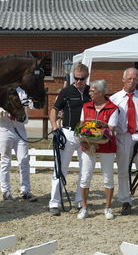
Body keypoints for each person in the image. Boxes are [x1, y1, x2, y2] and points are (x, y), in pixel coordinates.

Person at [110, 68, 138, 216]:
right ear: (123, 79)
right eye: (129, 78)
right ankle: (125, 201)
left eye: (135, 79)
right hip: (123, 137)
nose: (132, 81)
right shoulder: (114, 99)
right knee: (123, 170)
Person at [48, 63, 91, 216]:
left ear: (87, 77)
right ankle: (54, 202)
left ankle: (80, 201)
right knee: (60, 168)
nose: (79, 81)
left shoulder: (91, 91)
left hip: (86, 135)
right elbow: (54, 110)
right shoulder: (66, 91)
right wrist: (54, 126)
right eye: (76, 78)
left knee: (85, 169)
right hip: (68, 134)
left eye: (82, 79)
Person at [78, 80, 118, 220]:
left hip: (107, 147)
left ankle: (107, 208)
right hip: (88, 146)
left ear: (100, 93)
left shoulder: (113, 108)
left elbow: (110, 129)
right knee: (85, 177)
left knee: (108, 177)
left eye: (92, 91)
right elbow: (82, 125)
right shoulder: (86, 106)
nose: (89, 93)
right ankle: (84, 207)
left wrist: (94, 135)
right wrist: (84, 139)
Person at [0, 87, 37, 201]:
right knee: (6, 161)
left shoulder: (23, 92)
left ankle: (26, 190)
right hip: (5, 128)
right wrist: (2, 112)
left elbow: (31, 109)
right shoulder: (1, 90)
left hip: (20, 128)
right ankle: (6, 191)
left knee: (24, 160)